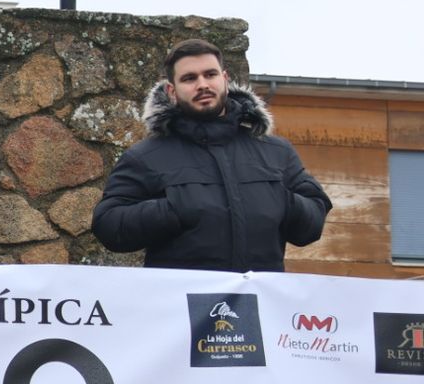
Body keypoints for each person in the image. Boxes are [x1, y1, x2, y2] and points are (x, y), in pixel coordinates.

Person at [91, 38, 330, 271]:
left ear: (225, 80)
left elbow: (313, 220)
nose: (202, 84)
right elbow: (109, 225)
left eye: (210, 74)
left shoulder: (276, 152)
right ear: (172, 91)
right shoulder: (145, 157)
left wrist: (282, 201)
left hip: (259, 304)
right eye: (189, 78)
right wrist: (174, 209)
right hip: (180, 305)